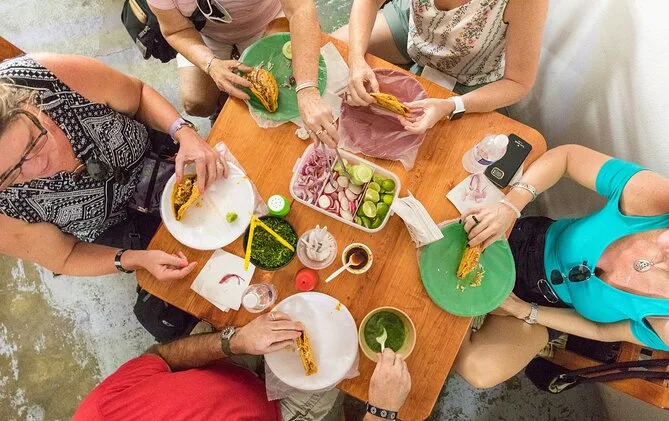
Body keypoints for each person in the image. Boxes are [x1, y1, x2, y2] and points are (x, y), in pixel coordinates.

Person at [452, 145, 669, 388]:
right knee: (447, 236)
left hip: (549, 307)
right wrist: (510, 206)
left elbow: (602, 331)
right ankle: (460, 299)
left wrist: (524, 310)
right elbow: (567, 158)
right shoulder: (658, 200)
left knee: (479, 370)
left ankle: (454, 308)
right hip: (523, 245)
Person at [0, 53, 224, 281]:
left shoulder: (43, 76)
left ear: (25, 101)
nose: (39, 166)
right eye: (9, 174)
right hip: (123, 229)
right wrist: (136, 259)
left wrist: (183, 132)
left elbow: (138, 95)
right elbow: (65, 256)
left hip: (164, 156)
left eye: (33, 140)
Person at [65, 311, 412, 421]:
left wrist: (234, 341)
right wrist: (379, 418)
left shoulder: (96, 418)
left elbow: (161, 357)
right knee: (345, 354)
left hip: (224, 361)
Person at [333, 0, 548, 133]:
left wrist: (453, 105)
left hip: (469, 74)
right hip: (417, 27)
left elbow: (517, 82)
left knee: (425, 145)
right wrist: (356, 59)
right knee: (333, 54)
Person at [148, 0, 339, 147]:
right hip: (207, 36)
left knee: (284, 103)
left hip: (267, 19)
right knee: (196, 102)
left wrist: (307, 88)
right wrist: (210, 64)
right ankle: (222, 103)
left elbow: (300, 9)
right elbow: (175, 30)